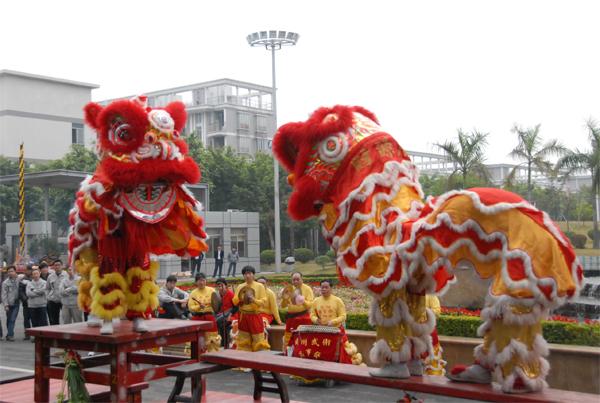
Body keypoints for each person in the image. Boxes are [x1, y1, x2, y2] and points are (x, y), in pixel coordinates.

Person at [232, 266, 270, 351]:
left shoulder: (260, 286)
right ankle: (244, 357)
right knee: (244, 339)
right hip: (243, 316)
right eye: (245, 274)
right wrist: (241, 298)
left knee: (258, 339)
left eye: (249, 273)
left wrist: (254, 300)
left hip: (255, 316)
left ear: (253, 275)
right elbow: (234, 301)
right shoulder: (240, 286)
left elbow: (263, 301)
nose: (247, 276)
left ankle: (259, 357)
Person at [281, 271, 314, 351]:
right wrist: (284, 299)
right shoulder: (289, 289)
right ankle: (287, 353)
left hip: (303, 317)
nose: (295, 281)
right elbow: (283, 306)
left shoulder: (307, 289)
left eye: (297, 279)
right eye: (294, 280)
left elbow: (310, 305)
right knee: (288, 338)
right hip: (291, 318)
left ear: (302, 279)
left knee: (304, 338)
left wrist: (302, 300)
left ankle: (303, 353)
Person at [188, 273, 221, 351]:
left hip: (209, 317)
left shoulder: (212, 290)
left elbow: (217, 303)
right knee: (196, 338)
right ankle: (197, 354)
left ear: (206, 281)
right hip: (197, 318)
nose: (202, 282)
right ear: (196, 282)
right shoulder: (193, 293)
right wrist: (199, 307)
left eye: (203, 280)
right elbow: (190, 307)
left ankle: (213, 354)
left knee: (212, 338)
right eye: (199, 280)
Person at [26, 267, 48, 335]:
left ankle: (45, 335)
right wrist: (38, 292)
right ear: (32, 275)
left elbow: (43, 291)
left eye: (37, 273)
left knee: (43, 321)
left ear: (39, 273)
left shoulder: (44, 282)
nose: (35, 275)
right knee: (34, 322)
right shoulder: (29, 283)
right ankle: (36, 336)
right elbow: (28, 293)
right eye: (34, 274)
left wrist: (34, 290)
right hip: (32, 306)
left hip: (42, 305)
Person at [1, 266, 21, 341]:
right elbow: (4, 295)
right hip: (9, 304)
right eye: (9, 271)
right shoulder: (5, 283)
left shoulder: (19, 279)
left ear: (15, 271)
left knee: (12, 319)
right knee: (9, 319)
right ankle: (9, 334)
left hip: (16, 303)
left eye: (12, 271)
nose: (10, 273)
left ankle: (10, 335)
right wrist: (5, 305)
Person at [215, 277, 236, 347]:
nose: (220, 287)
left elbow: (236, 307)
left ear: (225, 286)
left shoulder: (230, 294)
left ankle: (225, 344)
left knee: (221, 322)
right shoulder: (217, 295)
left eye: (221, 285)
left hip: (230, 314)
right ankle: (222, 343)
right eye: (218, 286)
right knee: (216, 321)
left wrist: (230, 315)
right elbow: (216, 308)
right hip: (221, 315)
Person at [46, 260, 67, 325]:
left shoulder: (66, 275)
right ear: (53, 267)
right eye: (55, 265)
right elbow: (47, 288)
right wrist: (48, 297)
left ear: (62, 266)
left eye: (59, 265)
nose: (57, 267)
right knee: (54, 320)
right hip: (53, 300)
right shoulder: (50, 276)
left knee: (66, 319)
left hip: (64, 300)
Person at [19, 264, 33, 340]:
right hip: (26, 303)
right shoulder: (22, 280)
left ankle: (35, 334)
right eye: (27, 270)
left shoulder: (34, 278)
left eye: (29, 270)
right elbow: (21, 291)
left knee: (34, 319)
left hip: (34, 302)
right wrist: (25, 299)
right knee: (26, 319)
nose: (28, 271)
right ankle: (27, 334)